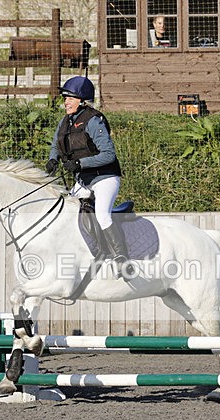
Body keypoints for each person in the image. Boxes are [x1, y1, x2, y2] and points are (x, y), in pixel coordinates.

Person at [46, 76, 135, 279]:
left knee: (102, 215)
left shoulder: (94, 120)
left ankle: (122, 259)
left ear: (82, 100)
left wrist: (79, 164)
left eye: (69, 98)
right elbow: (55, 144)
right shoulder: (65, 122)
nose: (65, 102)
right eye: (65, 98)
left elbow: (108, 155)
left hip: (105, 177)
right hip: (84, 180)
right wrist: (53, 159)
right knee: (67, 210)